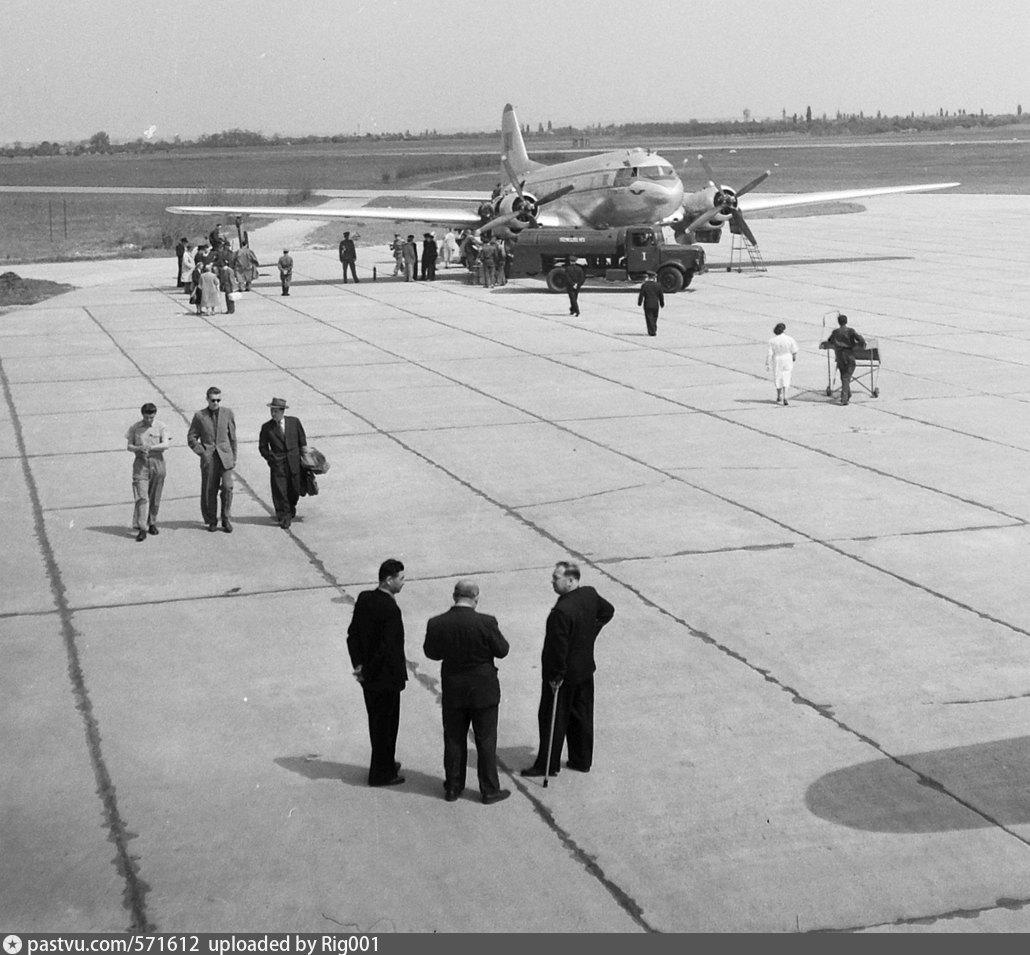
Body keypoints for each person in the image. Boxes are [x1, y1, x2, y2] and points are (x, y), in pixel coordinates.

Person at [522, 561, 615, 778]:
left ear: (571, 580)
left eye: (556, 578)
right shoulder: (590, 595)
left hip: (564, 676)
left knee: (552, 719)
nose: (552, 581)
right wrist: (591, 632)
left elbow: (558, 649)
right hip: (585, 669)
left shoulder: (561, 611)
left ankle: (547, 765)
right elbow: (608, 611)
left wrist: (556, 676)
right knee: (581, 716)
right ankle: (581, 760)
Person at [423, 580, 511, 805]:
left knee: (453, 739)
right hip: (484, 690)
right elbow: (502, 650)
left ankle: (453, 787)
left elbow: (431, 653)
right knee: (486, 741)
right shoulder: (486, 622)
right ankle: (489, 790)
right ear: (475, 597)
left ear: (454, 596)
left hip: (454, 690)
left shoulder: (437, 623)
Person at [347, 559, 408, 787]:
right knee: (387, 726)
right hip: (385, 678)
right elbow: (386, 648)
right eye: (401, 578)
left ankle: (386, 763)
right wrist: (369, 670)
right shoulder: (391, 609)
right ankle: (382, 773)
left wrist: (359, 666)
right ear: (389, 580)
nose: (404, 582)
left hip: (368, 677)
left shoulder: (364, 598)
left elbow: (352, 634)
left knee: (377, 723)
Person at [186, 386, 237, 533]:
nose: (216, 403)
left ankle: (226, 518)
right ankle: (212, 520)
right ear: (207, 399)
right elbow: (191, 437)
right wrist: (202, 451)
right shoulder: (200, 416)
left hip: (225, 457)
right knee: (210, 489)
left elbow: (233, 437)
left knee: (228, 487)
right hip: (209, 458)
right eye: (213, 400)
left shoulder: (228, 413)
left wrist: (233, 457)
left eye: (218, 400)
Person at [258, 397, 308, 529]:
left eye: (275, 411)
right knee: (280, 491)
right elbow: (262, 447)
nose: (273, 414)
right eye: (271, 411)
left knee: (294, 489)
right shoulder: (267, 427)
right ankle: (284, 516)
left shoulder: (294, 422)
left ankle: (290, 508)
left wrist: (305, 458)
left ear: (282, 411)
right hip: (278, 463)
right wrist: (270, 458)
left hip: (294, 462)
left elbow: (302, 441)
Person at [125, 402, 171, 542]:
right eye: (146, 417)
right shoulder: (135, 428)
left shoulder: (161, 426)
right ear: (142, 415)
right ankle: (142, 527)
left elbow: (166, 444)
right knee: (141, 496)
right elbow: (129, 446)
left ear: (155, 415)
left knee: (155, 495)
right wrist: (139, 448)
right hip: (141, 464)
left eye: (151, 417)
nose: (149, 420)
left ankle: (152, 522)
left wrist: (150, 447)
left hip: (157, 463)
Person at [820, 313, 866, 405]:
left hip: (839, 355)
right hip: (848, 355)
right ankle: (844, 398)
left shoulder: (835, 332)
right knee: (845, 377)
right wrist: (860, 344)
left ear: (838, 322)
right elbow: (860, 339)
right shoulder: (850, 331)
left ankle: (847, 394)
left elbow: (830, 341)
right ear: (846, 321)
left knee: (844, 376)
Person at [766, 322, 799, 405]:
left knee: (778, 377)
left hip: (777, 359)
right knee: (786, 376)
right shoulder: (790, 339)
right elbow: (794, 350)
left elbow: (770, 353)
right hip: (787, 358)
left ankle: (778, 395)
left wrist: (767, 363)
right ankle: (785, 396)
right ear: (784, 330)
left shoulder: (772, 341)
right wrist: (794, 357)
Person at [637, 272, 664, 336]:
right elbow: (661, 295)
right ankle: (653, 329)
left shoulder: (645, 285)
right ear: (654, 278)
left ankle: (652, 331)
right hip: (655, 304)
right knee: (655, 317)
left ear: (648, 277)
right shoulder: (658, 285)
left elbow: (641, 295)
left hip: (647, 304)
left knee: (649, 318)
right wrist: (662, 303)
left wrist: (639, 302)